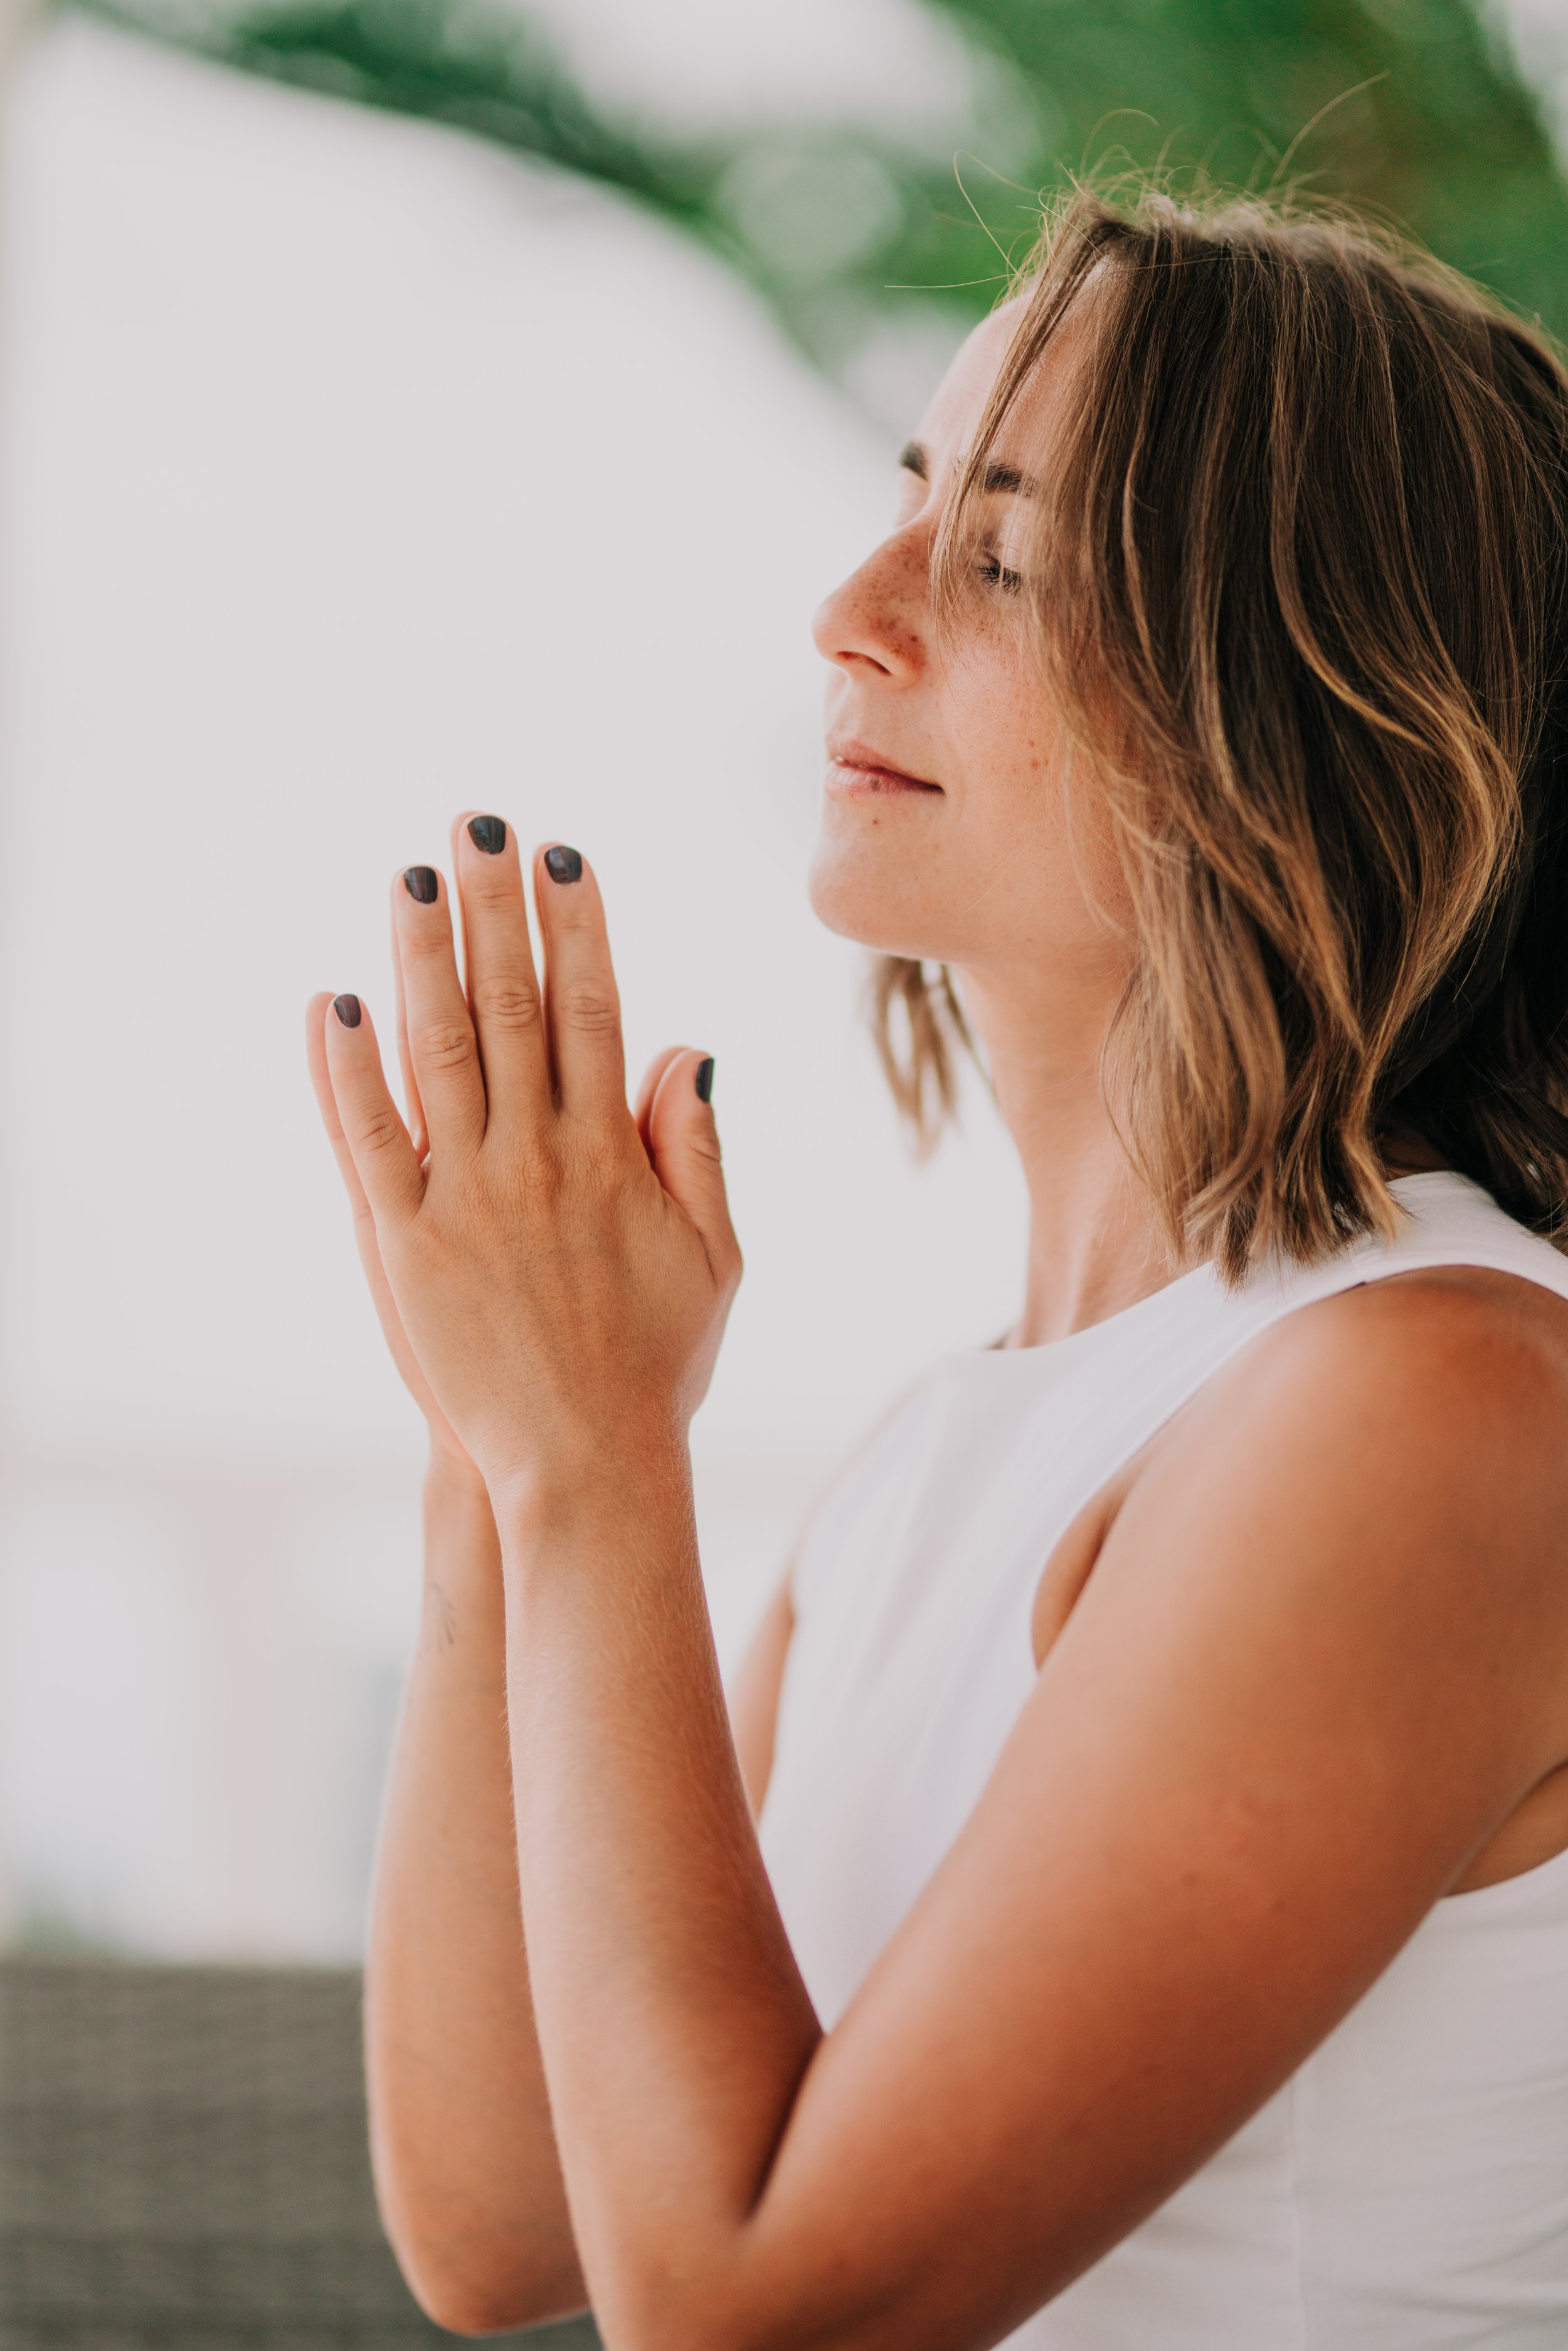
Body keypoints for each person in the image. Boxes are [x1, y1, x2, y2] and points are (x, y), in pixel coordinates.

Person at [305, 189, 1568, 2350]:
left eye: (996, 558)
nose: (848, 611)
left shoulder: (1437, 1401)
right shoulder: (935, 1454)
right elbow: (508, 2216)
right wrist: (501, 1445)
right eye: (908, 503)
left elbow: (742, 2310)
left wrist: (603, 1454)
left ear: (1291, 698)